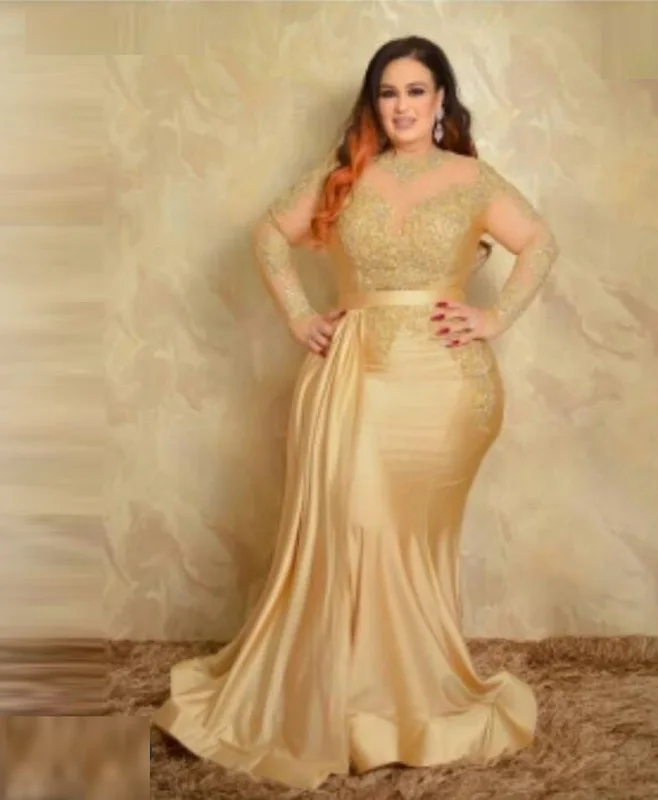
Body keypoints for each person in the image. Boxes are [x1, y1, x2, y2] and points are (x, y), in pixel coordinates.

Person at [151, 35, 559, 790]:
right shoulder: (344, 174)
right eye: (388, 92)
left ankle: (408, 697)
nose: (402, 106)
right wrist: (300, 315)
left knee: (408, 538)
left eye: (416, 90)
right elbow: (267, 236)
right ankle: (352, 699)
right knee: (354, 523)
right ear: (374, 103)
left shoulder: (471, 178)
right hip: (353, 375)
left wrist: (494, 317)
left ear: (441, 101)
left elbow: (539, 242)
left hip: (445, 386)